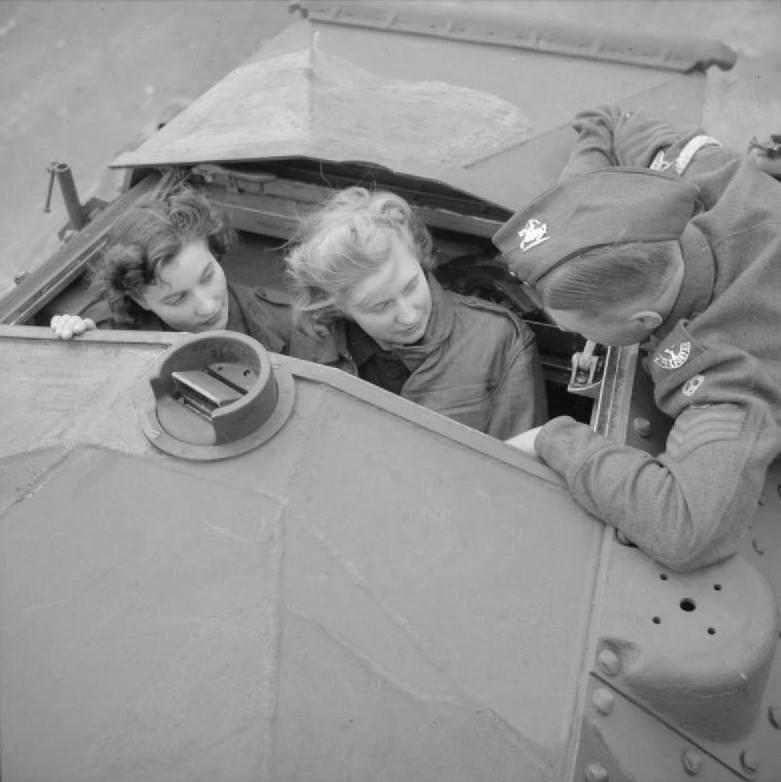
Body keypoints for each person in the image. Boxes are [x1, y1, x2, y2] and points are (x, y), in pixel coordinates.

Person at [493, 104, 781, 572]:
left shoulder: (728, 369)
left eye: (577, 327)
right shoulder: (704, 175)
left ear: (644, 321)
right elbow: (609, 117)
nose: (566, 333)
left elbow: (686, 531)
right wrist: (577, 201)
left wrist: (556, 438)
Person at [285, 186, 547, 439]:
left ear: (419, 257)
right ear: (335, 306)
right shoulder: (313, 346)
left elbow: (520, 469)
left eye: (411, 286)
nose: (409, 316)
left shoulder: (498, 340)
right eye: (381, 306)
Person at [49, 186, 295, 353]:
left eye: (208, 276)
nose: (208, 306)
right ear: (140, 299)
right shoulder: (111, 335)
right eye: (177, 299)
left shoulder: (286, 321)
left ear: (213, 249)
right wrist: (88, 348)